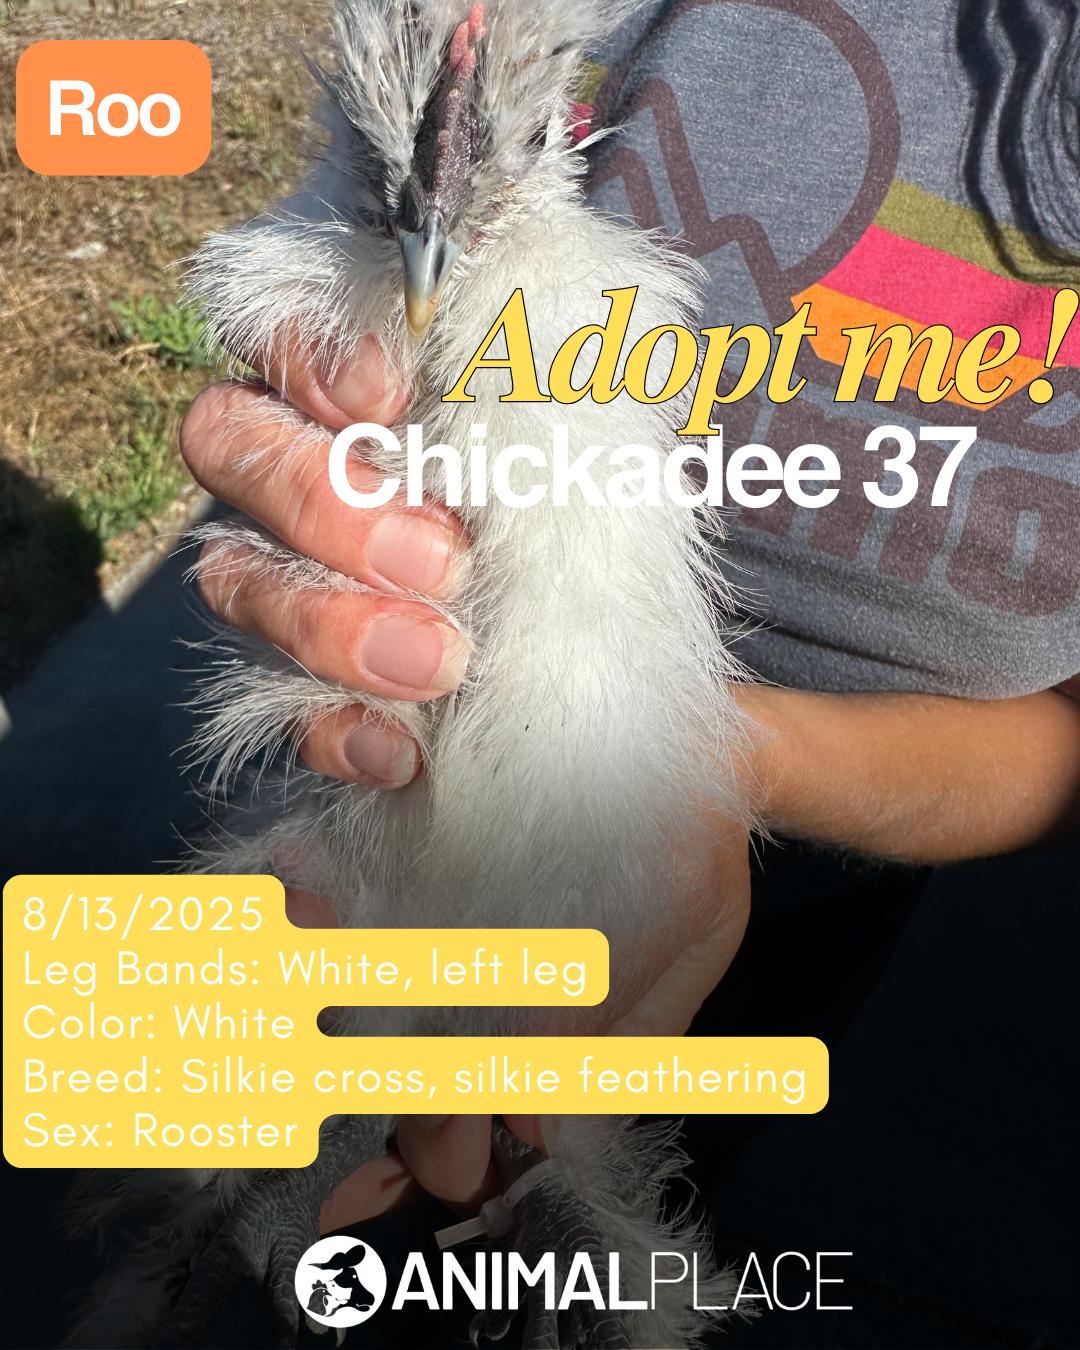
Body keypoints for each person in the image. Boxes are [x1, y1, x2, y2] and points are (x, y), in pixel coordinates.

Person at [179, 0, 1080, 1270]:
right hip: (396, 778)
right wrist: (303, 403)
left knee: (601, 1177)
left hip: (829, 864)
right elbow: (407, 148)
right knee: (372, 1177)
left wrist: (715, 762)